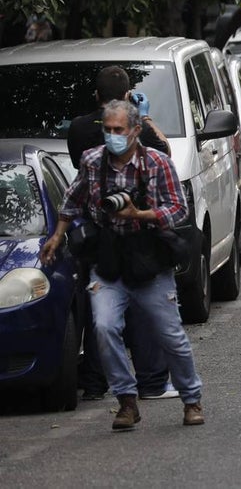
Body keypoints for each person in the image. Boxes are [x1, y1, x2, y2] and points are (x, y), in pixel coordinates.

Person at [39, 100, 204, 430]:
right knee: (104, 326)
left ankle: (191, 399)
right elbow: (72, 200)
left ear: (135, 131)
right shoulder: (92, 161)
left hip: (149, 260)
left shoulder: (157, 163)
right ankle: (127, 401)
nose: (113, 136)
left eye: (119, 130)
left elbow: (177, 209)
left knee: (169, 334)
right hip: (110, 260)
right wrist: (57, 235)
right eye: (108, 130)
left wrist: (139, 214)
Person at [66, 65, 174, 401]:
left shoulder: (80, 129)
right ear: (128, 97)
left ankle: (96, 384)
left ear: (96, 95)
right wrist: (145, 118)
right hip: (137, 229)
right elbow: (164, 151)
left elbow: (78, 168)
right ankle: (152, 381)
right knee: (142, 310)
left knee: (102, 312)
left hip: (97, 231)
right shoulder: (135, 128)